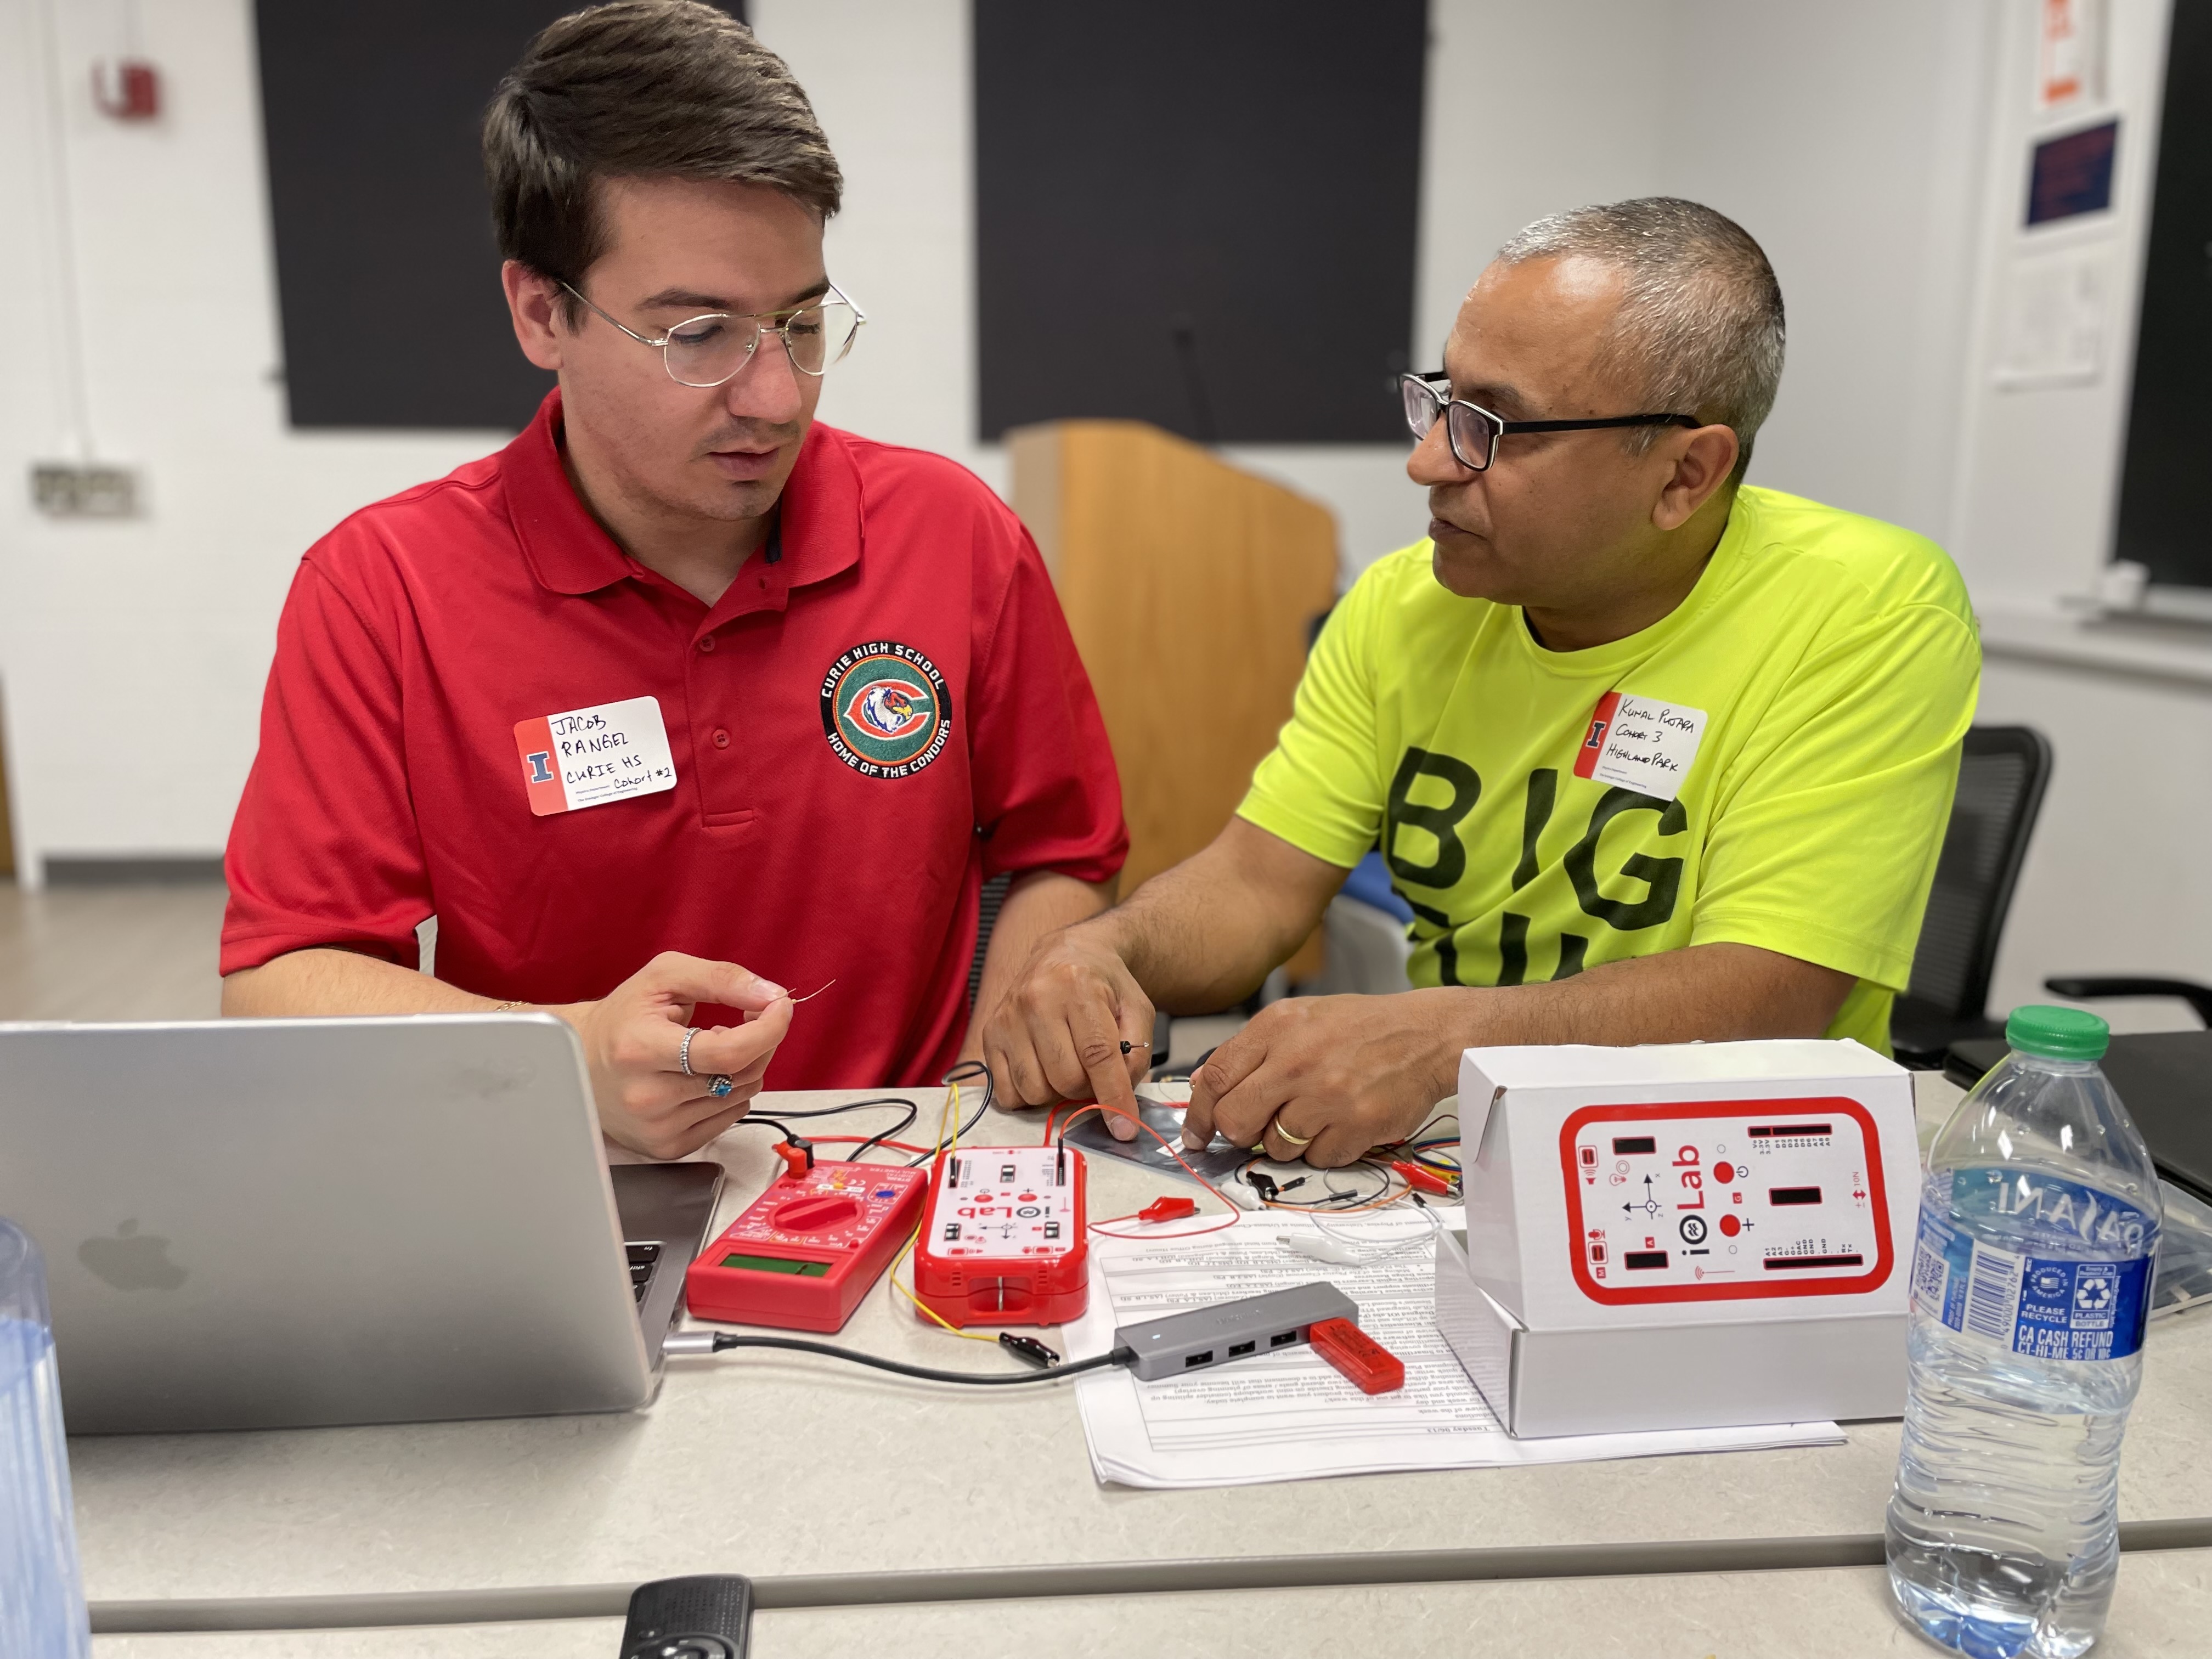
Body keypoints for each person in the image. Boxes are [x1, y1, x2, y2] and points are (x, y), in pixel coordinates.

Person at [220, 1, 1126, 1159]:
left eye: (800, 322)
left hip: (905, 1159)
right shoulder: (384, 587)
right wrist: (564, 1056)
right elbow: (279, 979)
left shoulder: (953, 536)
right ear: (542, 312)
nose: (777, 397)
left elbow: (1060, 851)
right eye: (700, 333)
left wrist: (1005, 1023)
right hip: (570, 1166)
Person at [985, 197, 1980, 1169]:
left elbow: (1768, 990)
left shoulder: (1870, 610)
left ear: (1684, 476)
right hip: (1450, 1149)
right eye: (1441, 401)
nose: (1428, 461)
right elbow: (1258, 882)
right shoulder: (1402, 603)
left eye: (1496, 429)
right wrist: (1108, 950)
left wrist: (1443, 1041)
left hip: (1725, 1167)